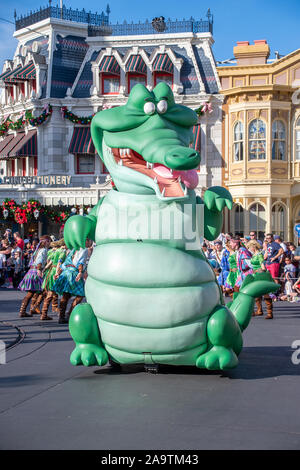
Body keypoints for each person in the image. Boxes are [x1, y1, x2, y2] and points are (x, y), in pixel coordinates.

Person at [52, 240, 90, 324]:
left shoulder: (73, 249)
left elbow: (65, 263)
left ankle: (61, 317)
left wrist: (58, 273)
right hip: (74, 273)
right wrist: (80, 272)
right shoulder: (84, 249)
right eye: (88, 240)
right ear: (85, 240)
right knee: (80, 294)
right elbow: (81, 261)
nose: (89, 242)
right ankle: (69, 315)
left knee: (66, 295)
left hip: (66, 273)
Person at [18, 235, 51, 318]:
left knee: (32, 292)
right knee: (43, 291)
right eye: (49, 241)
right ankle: (35, 309)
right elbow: (39, 261)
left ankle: (25, 310)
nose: (50, 243)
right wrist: (39, 269)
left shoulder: (38, 249)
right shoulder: (43, 250)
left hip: (32, 271)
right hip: (36, 272)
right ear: (45, 242)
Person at [40, 238, 67, 321]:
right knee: (59, 293)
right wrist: (57, 272)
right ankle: (60, 314)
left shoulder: (56, 251)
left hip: (51, 270)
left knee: (50, 292)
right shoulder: (62, 251)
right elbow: (59, 262)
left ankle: (44, 313)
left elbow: (50, 262)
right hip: (56, 270)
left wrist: (44, 269)